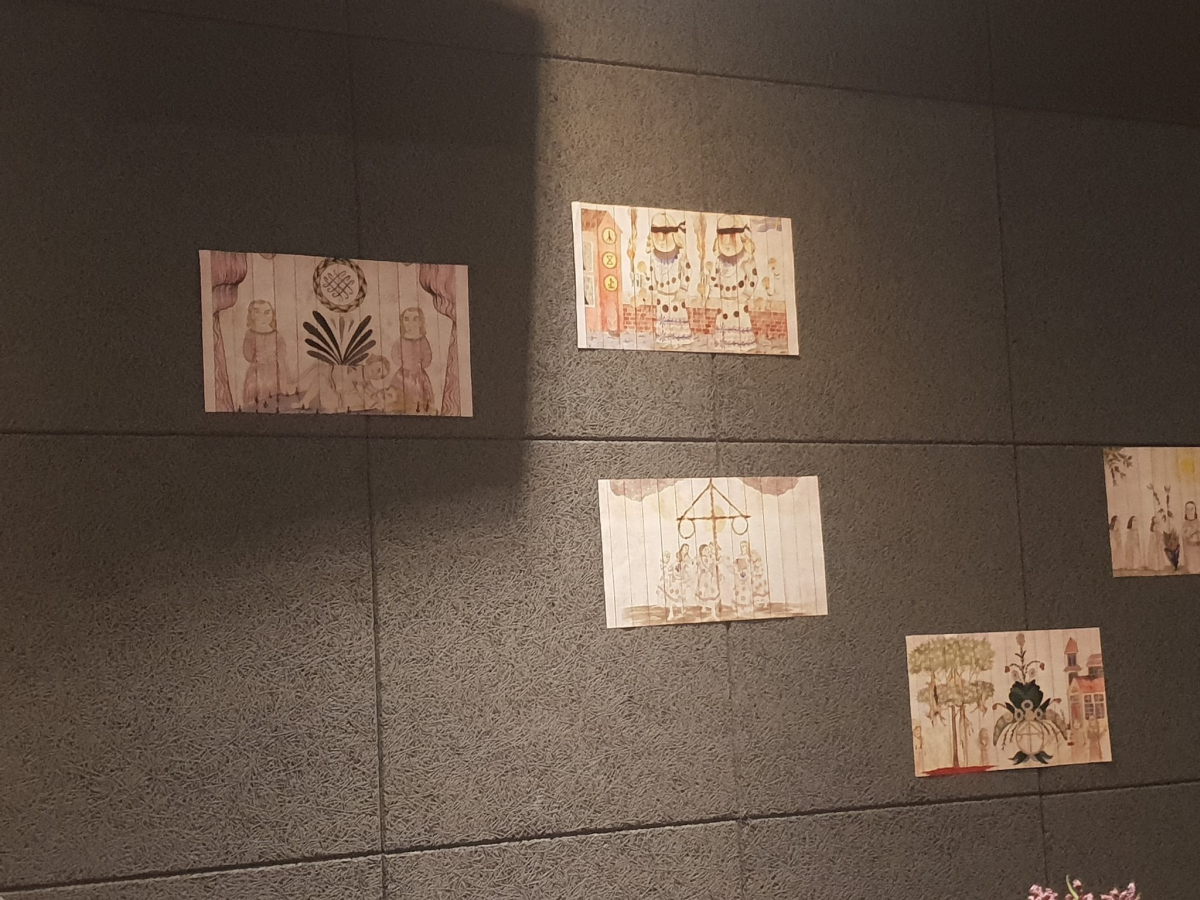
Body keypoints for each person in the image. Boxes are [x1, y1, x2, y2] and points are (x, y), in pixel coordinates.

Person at [708, 215, 758, 352]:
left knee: (739, 321)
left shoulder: (746, 258)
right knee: (724, 323)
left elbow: (752, 278)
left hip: (738, 300)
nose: (727, 243)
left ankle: (741, 344)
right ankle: (724, 342)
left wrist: (746, 294)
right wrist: (713, 294)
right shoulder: (719, 260)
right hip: (724, 299)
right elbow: (714, 278)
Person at [646, 212, 693, 348]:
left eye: (665, 234)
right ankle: (665, 338)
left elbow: (687, 271)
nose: (661, 239)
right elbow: (651, 273)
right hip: (662, 295)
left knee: (677, 316)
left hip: (675, 293)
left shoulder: (680, 254)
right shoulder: (653, 256)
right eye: (657, 235)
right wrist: (652, 289)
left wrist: (683, 289)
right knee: (664, 317)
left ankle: (678, 339)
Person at [241, 298, 292, 408]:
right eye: (257, 312)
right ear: (251, 315)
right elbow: (247, 353)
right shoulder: (250, 334)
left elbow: (282, 352)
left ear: (272, 314)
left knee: (276, 397)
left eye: (267, 312)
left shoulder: (276, 334)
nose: (262, 317)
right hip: (257, 370)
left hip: (276, 370)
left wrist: (276, 361)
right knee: (257, 398)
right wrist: (257, 359)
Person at [390, 307, 435, 414]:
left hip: (419, 376)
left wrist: (419, 366)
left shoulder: (423, 340)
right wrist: (404, 364)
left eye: (415, 319)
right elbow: (395, 354)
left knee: (420, 397)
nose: (410, 323)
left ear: (421, 322)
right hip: (403, 376)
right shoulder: (401, 340)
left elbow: (427, 356)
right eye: (406, 319)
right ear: (402, 322)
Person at [696, 542, 720, 618]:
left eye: (707, 549)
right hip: (705, 578)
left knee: (711, 593)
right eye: (705, 549)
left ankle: (712, 610)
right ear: (701, 551)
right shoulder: (703, 558)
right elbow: (708, 566)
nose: (707, 550)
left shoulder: (709, 557)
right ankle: (706, 607)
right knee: (706, 593)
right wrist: (714, 562)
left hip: (710, 577)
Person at [1182, 501, 1200, 574]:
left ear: (1195, 510)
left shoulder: (1198, 522)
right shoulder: (1185, 524)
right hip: (1189, 549)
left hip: (1197, 549)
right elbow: (1184, 536)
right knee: (1191, 570)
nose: (1189, 511)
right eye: (1187, 509)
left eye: (1192, 509)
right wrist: (1193, 531)